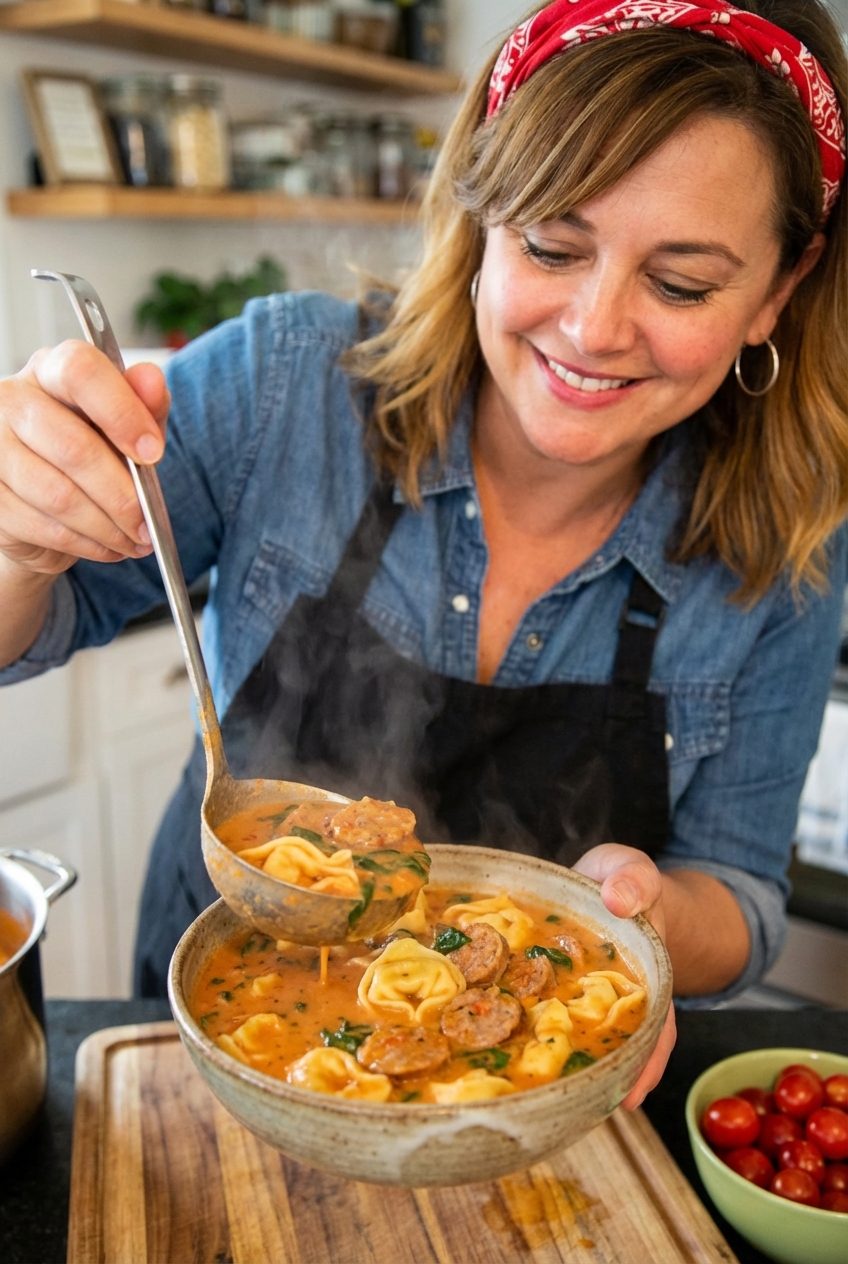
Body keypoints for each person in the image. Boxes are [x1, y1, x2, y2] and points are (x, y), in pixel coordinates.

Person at [0, 0, 844, 1109]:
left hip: (521, 1113)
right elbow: (24, 637)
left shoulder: (788, 555)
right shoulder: (282, 381)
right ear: (480, 215)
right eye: (551, 243)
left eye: (679, 282)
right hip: (203, 1055)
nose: (593, 327)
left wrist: (629, 917)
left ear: (775, 291)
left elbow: (735, 897)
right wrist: (21, 527)